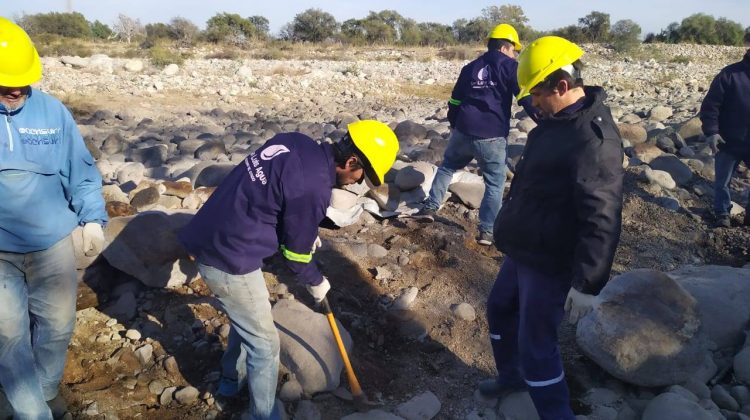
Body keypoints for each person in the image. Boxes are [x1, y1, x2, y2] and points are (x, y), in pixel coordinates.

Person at [178, 121, 399, 418]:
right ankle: (264, 414)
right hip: (228, 256)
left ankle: (231, 381)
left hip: (213, 231)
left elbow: (269, 194)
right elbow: (296, 257)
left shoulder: (295, 142)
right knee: (266, 345)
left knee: (249, 321)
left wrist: (302, 227)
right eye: (363, 177)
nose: (357, 183)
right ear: (351, 161)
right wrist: (316, 280)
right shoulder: (313, 188)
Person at [480, 36, 624, 419]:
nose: (533, 104)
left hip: (550, 259)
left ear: (562, 86)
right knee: (498, 309)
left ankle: (556, 414)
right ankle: (512, 378)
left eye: (538, 94)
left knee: (537, 346)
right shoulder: (558, 118)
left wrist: (588, 283)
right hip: (526, 246)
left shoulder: (593, 140)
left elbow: (603, 215)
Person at [0, 17, 107, 419]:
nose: (14, 90)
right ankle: (34, 413)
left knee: (58, 327)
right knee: (9, 337)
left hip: (52, 245)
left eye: (19, 81)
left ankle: (41, 392)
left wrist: (94, 218)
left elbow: (80, 170)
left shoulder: (51, 112)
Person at [414, 23, 538, 246]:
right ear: (504, 47)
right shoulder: (511, 67)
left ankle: (430, 207)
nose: (514, 54)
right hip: (491, 135)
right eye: (513, 49)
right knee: (494, 182)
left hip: (464, 130)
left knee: (447, 168)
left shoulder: (470, 67)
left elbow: (454, 100)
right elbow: (525, 99)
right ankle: (487, 232)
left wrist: (455, 123)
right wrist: (543, 121)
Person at [700, 31, 750, 228]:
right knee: (722, 182)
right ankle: (722, 213)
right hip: (728, 141)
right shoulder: (729, 74)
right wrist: (712, 132)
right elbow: (711, 106)